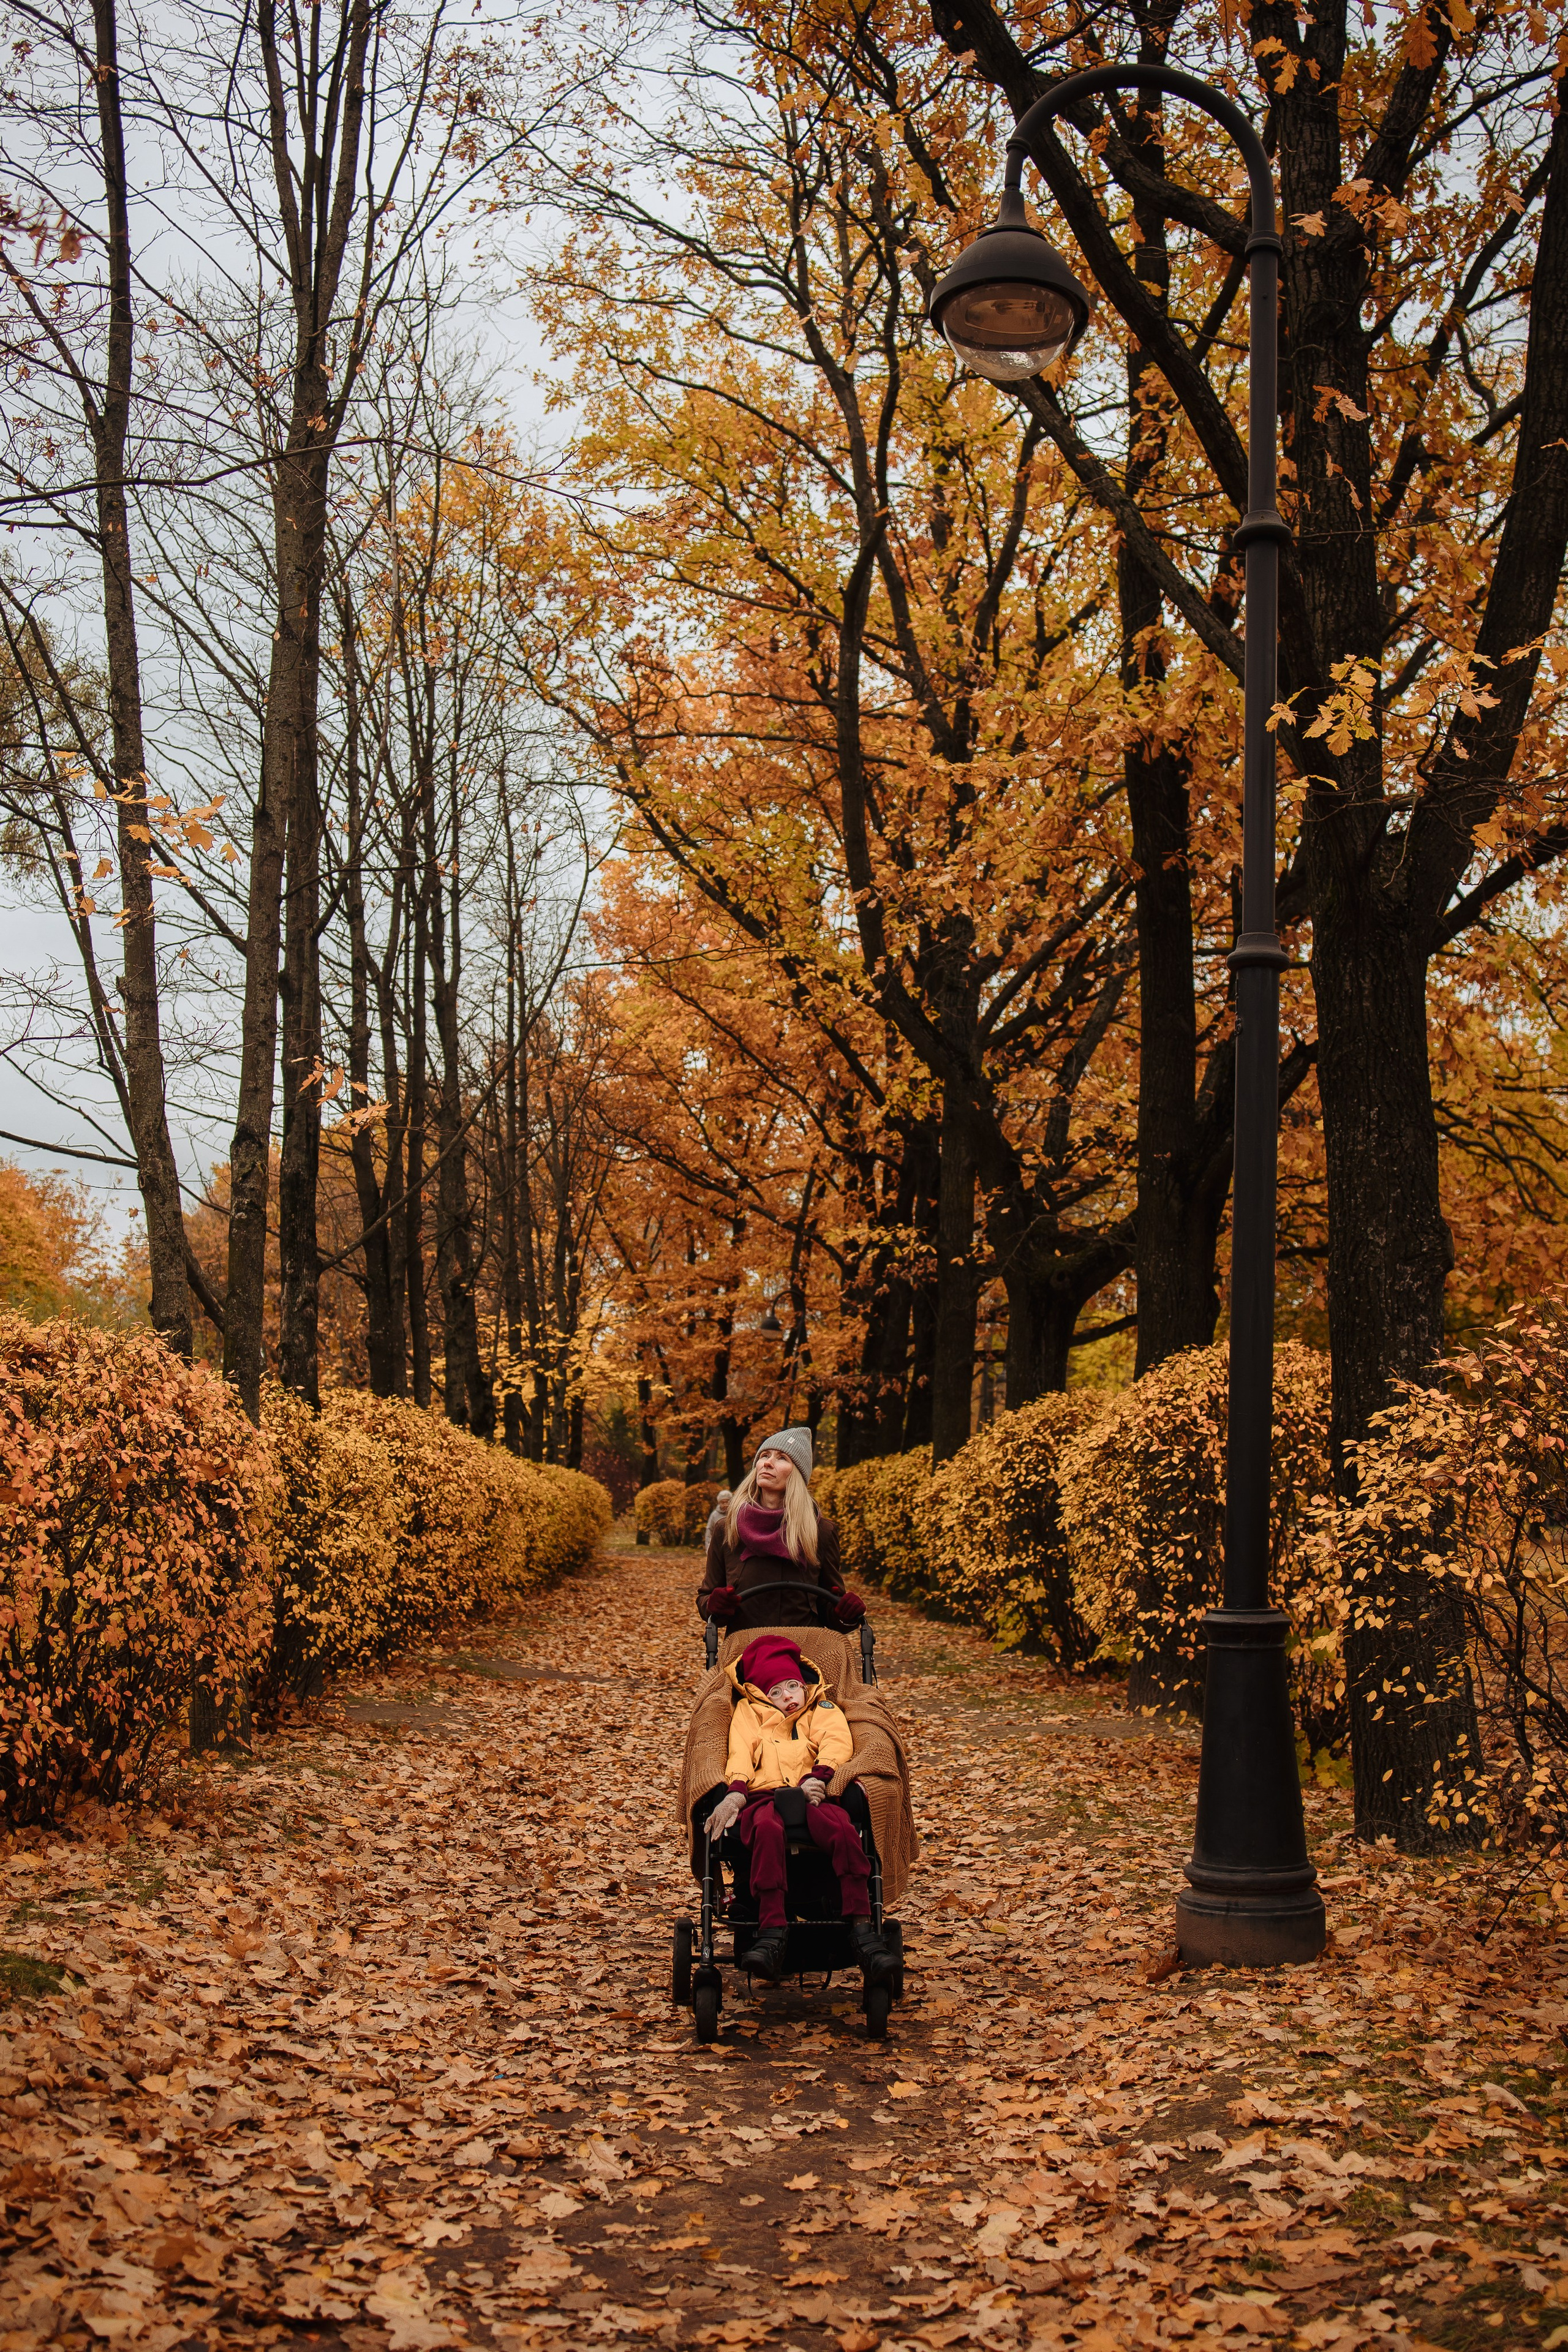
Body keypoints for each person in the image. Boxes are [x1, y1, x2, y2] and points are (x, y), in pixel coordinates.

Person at [706, 1632, 895, 1987]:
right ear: (762, 1695)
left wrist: (820, 1777)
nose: (787, 1697)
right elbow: (740, 1752)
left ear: (804, 1684)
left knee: (841, 1830)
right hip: (764, 1795)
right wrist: (736, 1791)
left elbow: (837, 1741)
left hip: (815, 1793)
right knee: (766, 1831)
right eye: (775, 1692)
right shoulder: (748, 1713)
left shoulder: (821, 1708)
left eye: (792, 1686)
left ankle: (861, 1925)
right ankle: (772, 1929)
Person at [697, 1427, 865, 1632]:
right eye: (765, 1455)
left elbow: (829, 1609)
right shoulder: (727, 1528)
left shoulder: (820, 1531)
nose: (768, 1463)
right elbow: (706, 1600)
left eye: (782, 1458)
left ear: (797, 1474)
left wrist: (845, 1613)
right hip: (745, 1652)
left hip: (804, 1652)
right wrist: (715, 1605)